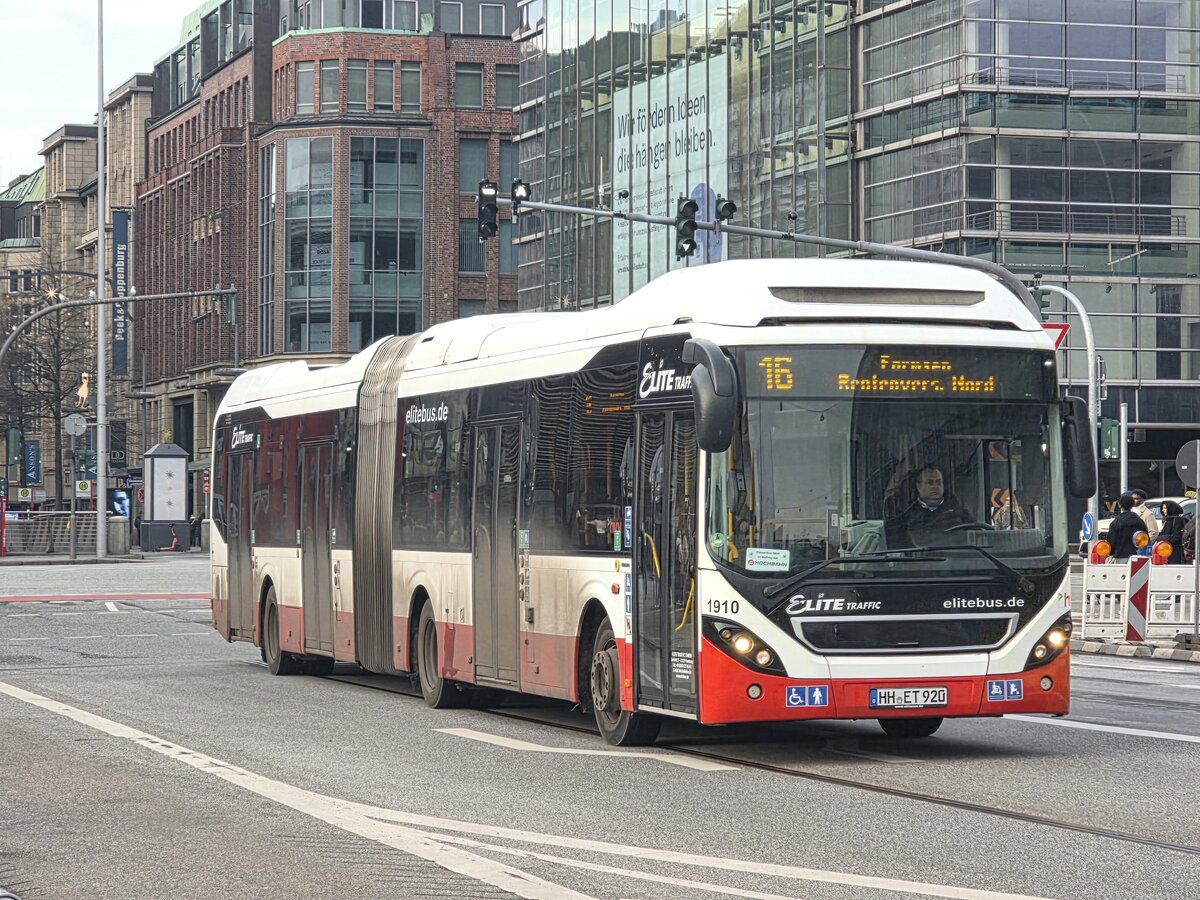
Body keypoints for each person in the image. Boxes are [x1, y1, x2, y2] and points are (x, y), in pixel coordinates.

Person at [886, 465, 974, 547]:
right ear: (919, 487)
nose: (935, 486)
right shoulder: (907, 514)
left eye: (939, 482)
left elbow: (973, 532)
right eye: (930, 482)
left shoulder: (957, 509)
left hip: (955, 554)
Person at [1105, 492, 1145, 560]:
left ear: (1120, 505)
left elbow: (1112, 540)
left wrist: (1112, 552)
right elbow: (1144, 538)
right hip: (1137, 556)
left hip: (1120, 555)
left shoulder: (1115, 523)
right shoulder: (1140, 522)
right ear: (1132, 505)